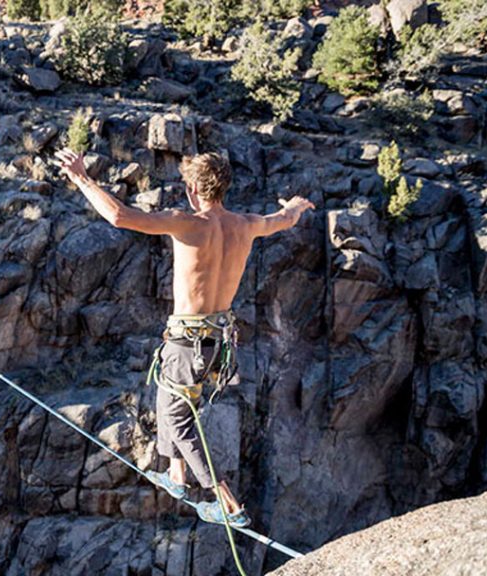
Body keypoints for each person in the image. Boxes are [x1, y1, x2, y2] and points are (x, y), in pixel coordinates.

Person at [55, 149, 314, 528]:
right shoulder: (246, 224)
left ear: (193, 189)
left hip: (186, 343)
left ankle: (227, 502)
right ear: (223, 187)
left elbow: (119, 215)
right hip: (217, 346)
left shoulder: (186, 223)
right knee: (167, 401)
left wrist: (81, 178)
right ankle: (176, 475)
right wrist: (294, 205)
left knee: (178, 422)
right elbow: (284, 219)